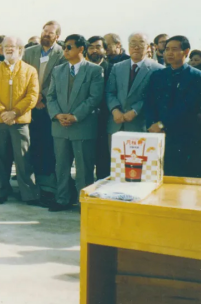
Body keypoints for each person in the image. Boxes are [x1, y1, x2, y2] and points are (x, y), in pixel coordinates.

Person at [47, 34, 104, 212]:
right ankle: (62, 199)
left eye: (69, 47)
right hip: (60, 127)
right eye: (64, 47)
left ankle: (84, 203)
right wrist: (58, 115)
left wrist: (75, 116)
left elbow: (94, 98)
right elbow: (50, 96)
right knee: (61, 166)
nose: (65, 50)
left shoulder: (94, 70)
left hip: (82, 126)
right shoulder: (58, 70)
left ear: (81, 49)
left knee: (84, 168)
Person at [0, 38, 40, 205]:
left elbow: (32, 96)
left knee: (23, 159)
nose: (9, 49)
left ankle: (29, 194)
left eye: (12, 46)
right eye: (5, 46)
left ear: (20, 49)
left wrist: (14, 112)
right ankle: (0, 192)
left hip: (20, 122)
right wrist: (2, 112)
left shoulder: (30, 71)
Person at [22, 20, 67, 205]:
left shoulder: (62, 54)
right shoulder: (29, 52)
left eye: (50, 32)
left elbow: (59, 79)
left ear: (57, 36)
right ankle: (34, 188)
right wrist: (34, 98)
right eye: (44, 31)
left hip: (49, 108)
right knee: (32, 147)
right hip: (30, 106)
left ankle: (49, 188)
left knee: (48, 149)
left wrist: (43, 98)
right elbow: (23, 75)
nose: (46, 34)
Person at [145, 36, 201, 177]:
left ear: (186, 51)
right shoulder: (157, 75)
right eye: (167, 49)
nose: (169, 53)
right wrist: (151, 125)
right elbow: (149, 103)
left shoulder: (196, 77)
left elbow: (188, 107)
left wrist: (162, 124)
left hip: (184, 136)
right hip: (157, 135)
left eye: (174, 49)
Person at [106, 33, 163, 137]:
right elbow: (110, 92)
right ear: (128, 46)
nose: (136, 47)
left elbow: (155, 97)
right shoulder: (117, 67)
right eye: (133, 43)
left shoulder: (158, 69)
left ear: (148, 47)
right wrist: (114, 110)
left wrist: (135, 110)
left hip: (141, 126)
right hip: (116, 124)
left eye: (141, 43)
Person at [86, 35, 114, 180]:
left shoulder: (112, 69)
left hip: (104, 119)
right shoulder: (83, 68)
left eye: (98, 47)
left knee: (103, 158)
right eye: (91, 47)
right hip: (85, 119)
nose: (94, 50)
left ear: (105, 50)